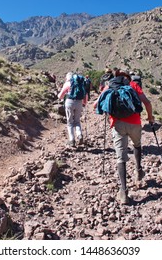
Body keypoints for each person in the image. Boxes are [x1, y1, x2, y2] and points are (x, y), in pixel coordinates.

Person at [93, 69, 154, 205]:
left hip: (117, 124)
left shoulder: (110, 86)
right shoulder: (133, 85)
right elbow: (147, 103)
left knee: (121, 157)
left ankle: (123, 192)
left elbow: (95, 105)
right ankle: (138, 171)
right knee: (137, 145)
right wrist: (150, 118)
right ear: (127, 77)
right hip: (135, 123)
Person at [58, 72, 88, 147]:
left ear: (67, 78)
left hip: (69, 102)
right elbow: (85, 94)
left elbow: (60, 96)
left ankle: (72, 140)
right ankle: (79, 135)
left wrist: (59, 96)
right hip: (79, 103)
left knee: (70, 122)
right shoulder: (80, 83)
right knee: (77, 121)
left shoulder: (67, 84)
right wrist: (84, 103)